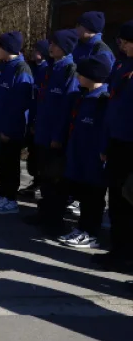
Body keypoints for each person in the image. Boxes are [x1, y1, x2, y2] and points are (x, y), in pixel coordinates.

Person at [24, 29, 79, 234]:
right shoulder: (49, 68)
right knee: (44, 176)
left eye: (54, 44)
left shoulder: (69, 71)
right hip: (42, 131)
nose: (51, 47)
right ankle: (44, 213)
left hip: (55, 136)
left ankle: (55, 219)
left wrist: (58, 135)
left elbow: (66, 108)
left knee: (56, 179)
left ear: (64, 47)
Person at [57, 53, 112, 249]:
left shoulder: (103, 100)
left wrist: (103, 151)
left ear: (93, 76)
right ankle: (82, 228)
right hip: (80, 153)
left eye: (81, 74)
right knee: (83, 196)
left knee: (93, 198)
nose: (78, 77)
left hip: (94, 158)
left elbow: (105, 130)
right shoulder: (83, 97)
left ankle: (91, 233)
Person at [0, 31, 34, 215]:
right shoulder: (3, 67)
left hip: (10, 130)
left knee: (10, 165)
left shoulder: (21, 69)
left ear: (7, 48)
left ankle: (10, 199)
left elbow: (20, 104)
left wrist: (8, 130)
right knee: (1, 164)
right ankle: (2, 195)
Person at [95, 20, 133, 271]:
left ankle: (127, 254)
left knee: (129, 202)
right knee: (118, 200)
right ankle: (118, 250)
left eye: (127, 42)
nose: (122, 45)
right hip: (117, 141)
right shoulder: (122, 64)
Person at [21, 39, 53, 197]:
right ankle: (35, 179)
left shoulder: (47, 69)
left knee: (40, 155)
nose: (34, 52)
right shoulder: (31, 68)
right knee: (33, 154)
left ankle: (40, 182)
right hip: (31, 114)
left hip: (40, 117)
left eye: (38, 50)